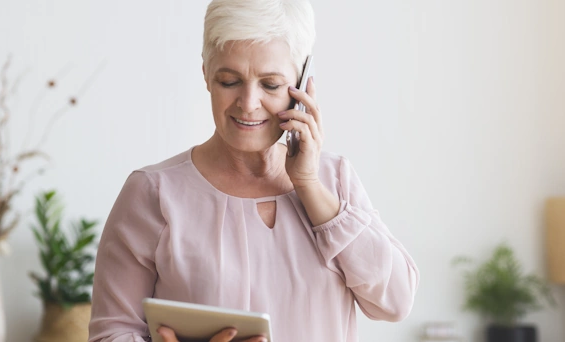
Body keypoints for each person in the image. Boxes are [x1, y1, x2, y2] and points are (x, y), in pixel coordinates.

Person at [87, 0, 419, 341]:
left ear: (304, 84)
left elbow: (395, 301)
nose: (248, 103)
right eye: (229, 81)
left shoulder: (335, 179)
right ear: (206, 74)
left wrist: (309, 185)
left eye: (271, 85)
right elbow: (112, 332)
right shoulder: (153, 193)